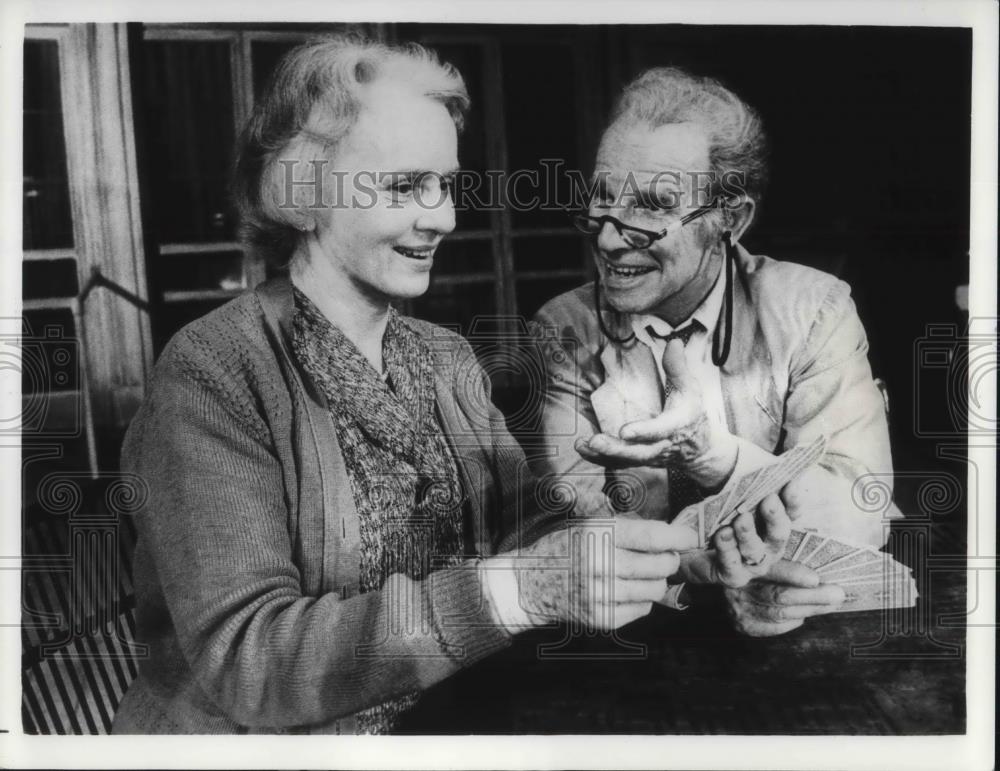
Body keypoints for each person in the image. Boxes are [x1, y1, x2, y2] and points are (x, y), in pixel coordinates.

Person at [112, 37, 766, 735]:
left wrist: (675, 559)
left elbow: (530, 519)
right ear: (303, 194)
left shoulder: (445, 356)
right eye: (404, 186)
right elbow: (253, 664)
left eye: (447, 184)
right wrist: (526, 587)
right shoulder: (214, 370)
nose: (445, 218)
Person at [531, 66, 901, 637]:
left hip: (799, 632)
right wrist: (694, 573)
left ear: (731, 218)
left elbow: (860, 508)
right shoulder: (565, 328)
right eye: (603, 199)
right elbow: (570, 533)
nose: (608, 237)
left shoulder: (815, 310)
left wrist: (713, 454)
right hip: (634, 636)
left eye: (653, 206)